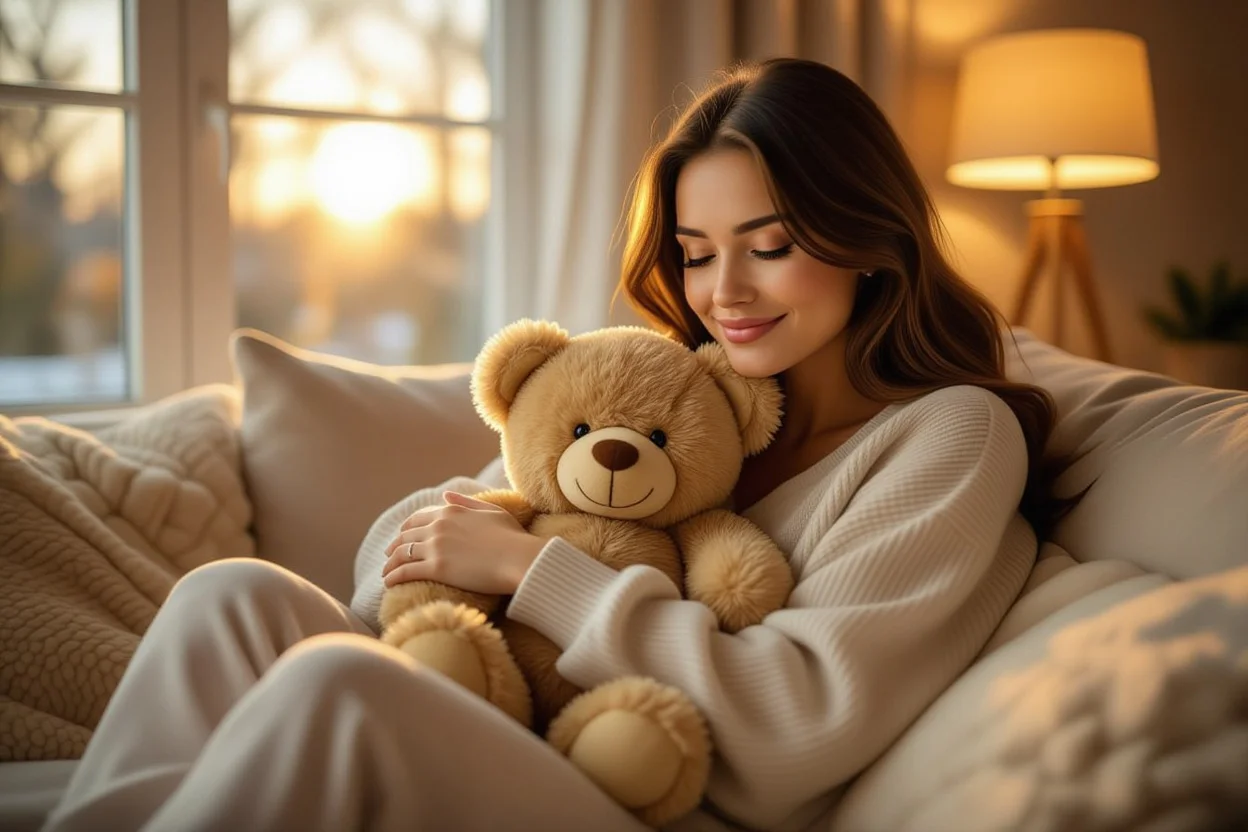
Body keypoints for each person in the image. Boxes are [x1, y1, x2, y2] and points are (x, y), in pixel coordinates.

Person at [43, 58, 1063, 832]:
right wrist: (465, 550)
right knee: (233, 594)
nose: (725, 294)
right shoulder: (695, 398)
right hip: (532, 728)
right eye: (697, 254)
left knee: (338, 687)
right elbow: (417, 559)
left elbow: (792, 727)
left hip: (662, 791)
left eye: (771, 246)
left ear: (869, 242)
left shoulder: (950, 433)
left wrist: (537, 571)